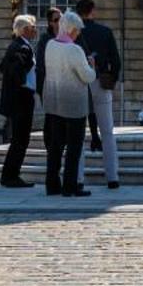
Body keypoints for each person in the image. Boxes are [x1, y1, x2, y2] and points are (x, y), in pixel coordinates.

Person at [40, 11, 97, 197]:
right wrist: (92, 65)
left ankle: (52, 185)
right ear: (71, 29)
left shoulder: (50, 45)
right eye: (77, 30)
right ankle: (70, 186)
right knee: (74, 148)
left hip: (54, 103)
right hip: (73, 105)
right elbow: (87, 76)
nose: (78, 34)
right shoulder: (74, 50)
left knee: (55, 146)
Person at [76, 0, 122, 189]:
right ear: (93, 11)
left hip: (79, 84)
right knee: (107, 132)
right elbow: (116, 61)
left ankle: (78, 178)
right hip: (101, 82)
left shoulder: (75, 34)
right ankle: (112, 177)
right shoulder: (105, 32)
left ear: (78, 13)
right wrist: (111, 79)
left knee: (77, 133)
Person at [0, 13, 38, 188]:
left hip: (19, 98)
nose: (35, 30)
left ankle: (10, 175)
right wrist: (22, 84)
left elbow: (2, 66)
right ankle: (11, 176)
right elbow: (14, 69)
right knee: (21, 139)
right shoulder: (22, 47)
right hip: (22, 98)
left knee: (19, 139)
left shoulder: (18, 45)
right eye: (33, 27)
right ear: (25, 30)